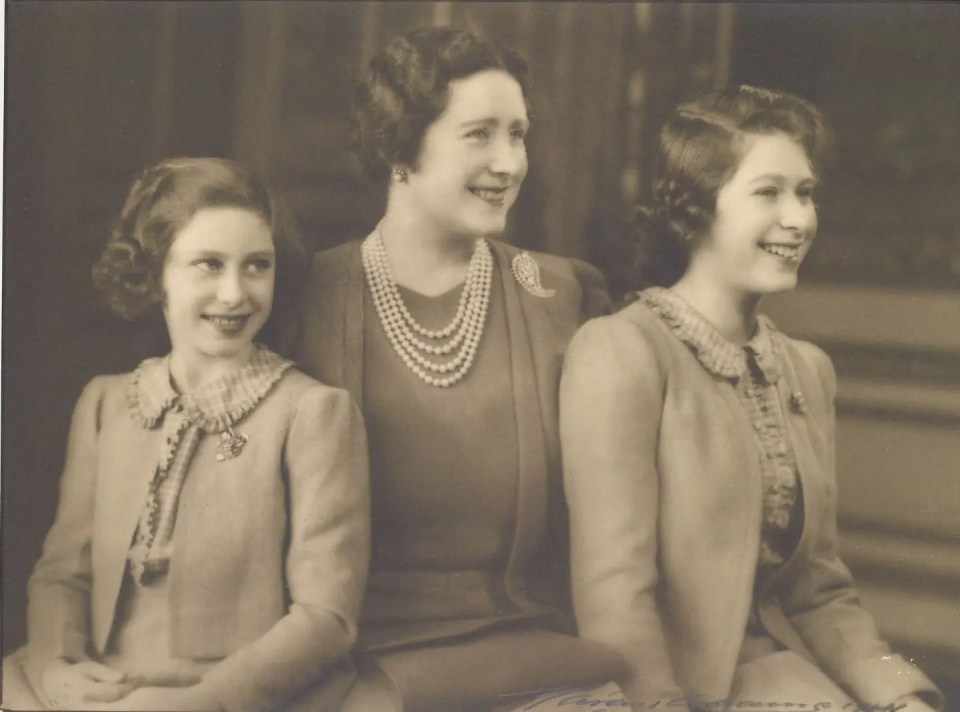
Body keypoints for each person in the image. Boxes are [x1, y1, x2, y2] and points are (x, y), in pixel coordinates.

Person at [560, 85, 944, 712]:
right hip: (663, 690)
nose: (798, 219)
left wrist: (899, 697)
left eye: (806, 192)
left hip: (784, 677)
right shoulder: (622, 352)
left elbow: (821, 594)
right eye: (768, 192)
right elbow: (614, 601)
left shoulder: (806, 370)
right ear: (696, 207)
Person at [284, 26, 623, 712]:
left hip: (536, 660)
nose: (509, 162)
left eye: (519, 134)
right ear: (400, 145)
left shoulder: (563, 297)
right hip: (348, 668)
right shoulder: (304, 300)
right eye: (479, 134)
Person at [2, 158, 370, 712]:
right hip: (102, 687)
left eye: (256, 266)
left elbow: (327, 619)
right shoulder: (106, 403)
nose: (233, 293)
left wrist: (202, 703)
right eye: (208, 264)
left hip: (241, 699)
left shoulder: (313, 413)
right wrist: (58, 672)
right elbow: (62, 574)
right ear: (156, 276)